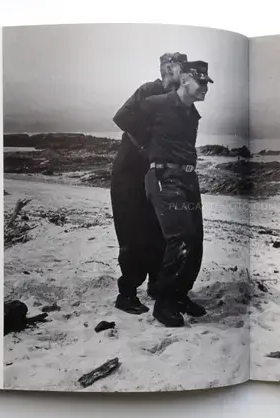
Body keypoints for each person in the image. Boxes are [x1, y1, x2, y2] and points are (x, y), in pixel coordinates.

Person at [132, 60, 213, 327]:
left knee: (196, 240)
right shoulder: (158, 102)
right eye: (201, 82)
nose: (205, 89)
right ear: (186, 79)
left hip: (188, 179)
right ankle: (163, 303)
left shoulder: (192, 114)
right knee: (180, 239)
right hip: (165, 178)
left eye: (206, 84)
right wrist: (149, 151)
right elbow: (125, 118)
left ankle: (179, 295)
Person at [110, 52, 188, 315]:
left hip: (152, 175)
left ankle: (156, 285)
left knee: (157, 231)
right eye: (173, 67)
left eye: (180, 68)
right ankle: (127, 295)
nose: (177, 73)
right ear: (166, 68)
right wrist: (145, 143)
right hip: (128, 175)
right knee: (131, 233)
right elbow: (121, 116)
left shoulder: (176, 99)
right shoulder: (148, 90)